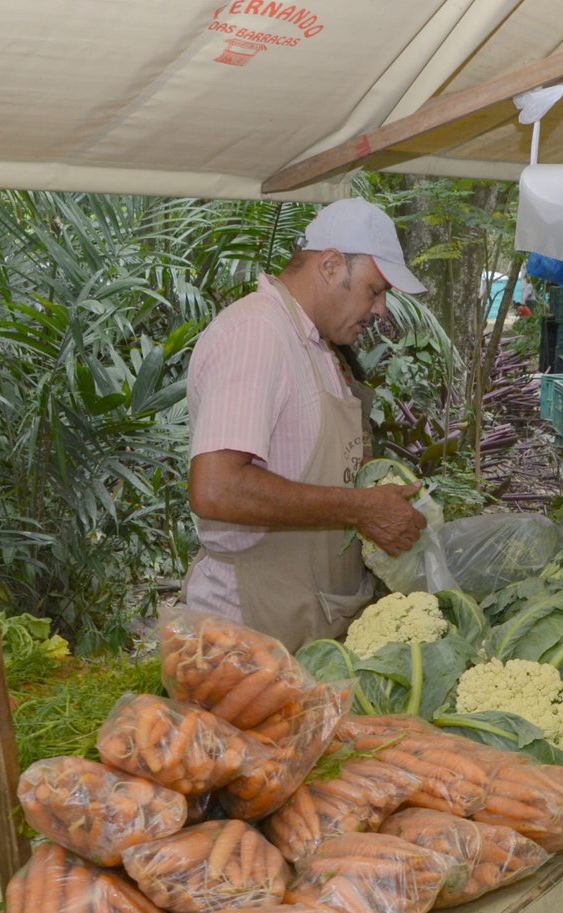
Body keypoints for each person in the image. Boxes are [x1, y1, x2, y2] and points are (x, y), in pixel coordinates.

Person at [184, 198, 429, 651]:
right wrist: (360, 508)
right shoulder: (257, 333)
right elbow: (215, 489)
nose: (381, 311)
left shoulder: (316, 347)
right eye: (375, 291)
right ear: (331, 265)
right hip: (248, 630)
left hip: (304, 620)